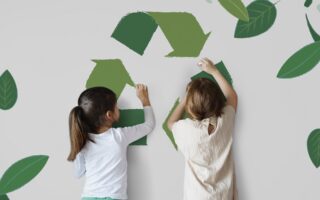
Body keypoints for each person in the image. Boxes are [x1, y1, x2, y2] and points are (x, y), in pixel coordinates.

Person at [67, 84, 155, 200]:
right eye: (116, 106)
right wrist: (144, 100)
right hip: (114, 197)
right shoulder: (119, 136)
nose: (119, 109)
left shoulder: (82, 141)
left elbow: (78, 173)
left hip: (88, 196)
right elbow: (149, 125)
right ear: (109, 115)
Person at [167, 57, 238, 200]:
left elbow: (171, 123)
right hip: (224, 195)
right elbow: (232, 96)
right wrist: (214, 71)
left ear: (190, 107)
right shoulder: (224, 122)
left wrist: (186, 98)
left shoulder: (186, 129)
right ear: (218, 102)